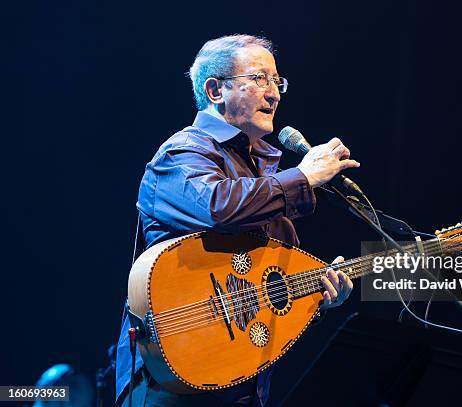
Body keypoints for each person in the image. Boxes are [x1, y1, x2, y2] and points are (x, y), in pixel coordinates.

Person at [115, 34, 358, 406]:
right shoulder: (182, 153)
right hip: (171, 379)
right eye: (261, 79)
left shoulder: (260, 173)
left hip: (240, 382)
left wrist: (316, 297)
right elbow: (218, 207)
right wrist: (303, 176)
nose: (275, 93)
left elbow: (258, 286)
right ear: (215, 90)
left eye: (278, 82)